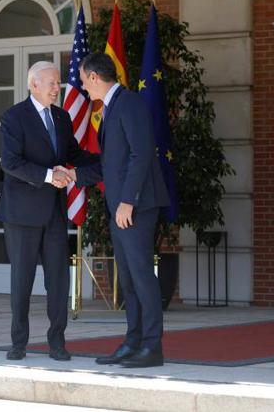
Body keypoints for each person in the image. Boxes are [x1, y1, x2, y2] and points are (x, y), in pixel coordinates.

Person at [67, 52, 170, 368]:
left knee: (141, 277)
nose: (84, 87)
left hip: (134, 207)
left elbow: (141, 155)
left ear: (95, 77)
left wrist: (129, 201)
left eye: (84, 81)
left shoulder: (130, 103)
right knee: (127, 279)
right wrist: (74, 176)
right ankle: (133, 341)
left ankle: (152, 347)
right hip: (121, 207)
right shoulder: (111, 108)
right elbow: (111, 165)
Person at [0, 61, 98, 361]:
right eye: (52, 83)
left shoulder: (63, 118)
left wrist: (107, 157)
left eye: (58, 82)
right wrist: (48, 176)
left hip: (54, 213)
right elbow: (10, 163)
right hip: (21, 215)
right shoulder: (14, 117)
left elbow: (74, 155)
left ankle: (57, 343)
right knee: (22, 281)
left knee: (58, 281)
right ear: (34, 85)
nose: (58, 88)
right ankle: (18, 343)